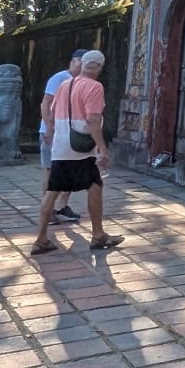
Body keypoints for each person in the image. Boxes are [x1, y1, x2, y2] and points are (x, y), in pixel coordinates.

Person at [31, 49, 124, 254]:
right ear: (99, 67)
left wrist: (52, 132)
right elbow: (92, 119)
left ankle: (41, 238)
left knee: (53, 190)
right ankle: (98, 235)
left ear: (83, 64)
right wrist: (101, 146)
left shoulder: (65, 84)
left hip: (61, 144)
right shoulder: (95, 86)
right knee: (95, 185)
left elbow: (52, 112)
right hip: (80, 148)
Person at [40, 49, 86, 223]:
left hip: (71, 132)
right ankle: (48, 209)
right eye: (81, 61)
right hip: (54, 131)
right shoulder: (60, 78)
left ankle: (62, 206)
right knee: (51, 171)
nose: (84, 65)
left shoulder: (83, 82)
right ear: (73, 61)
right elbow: (45, 104)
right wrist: (49, 128)